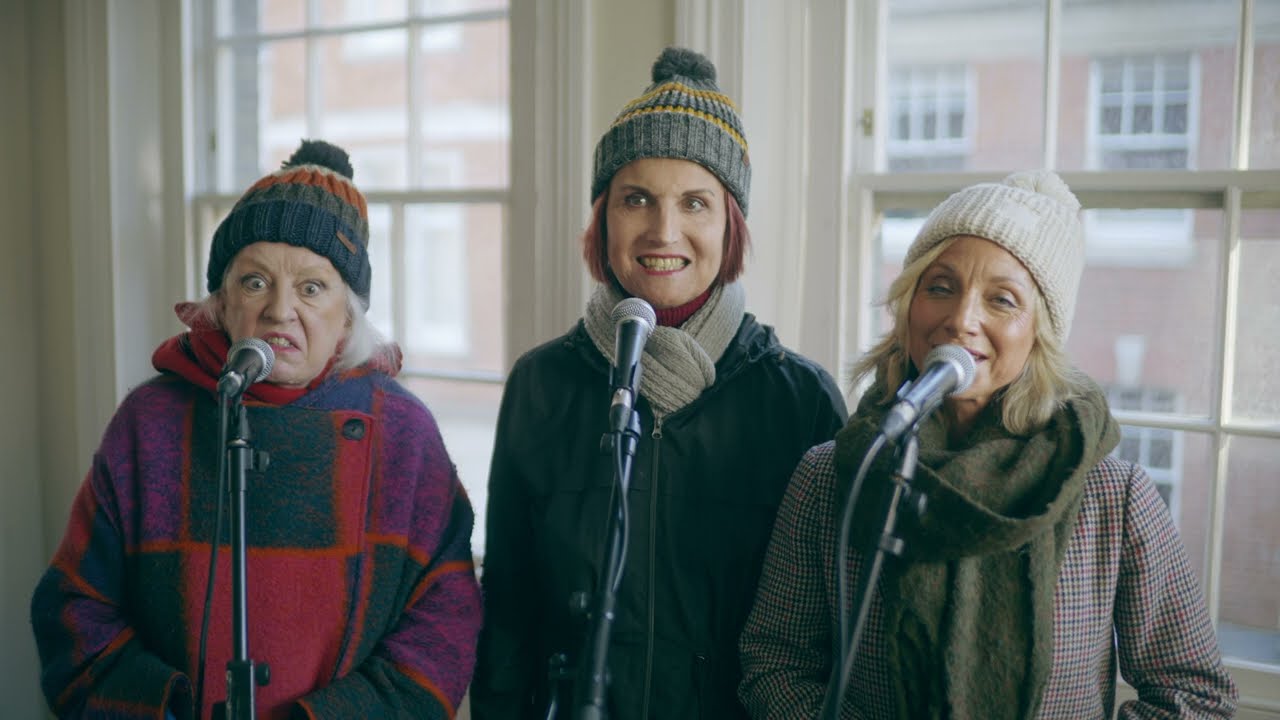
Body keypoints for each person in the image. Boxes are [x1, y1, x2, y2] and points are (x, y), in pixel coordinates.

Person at [737, 169, 1239, 719]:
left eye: (1001, 300)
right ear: (908, 306)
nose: (961, 320)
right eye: (940, 287)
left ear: (1039, 332)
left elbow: (1195, 696)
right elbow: (774, 663)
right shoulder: (832, 477)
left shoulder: (1112, 497)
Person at [30, 140, 483, 720]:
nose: (279, 310)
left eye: (311, 288)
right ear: (221, 302)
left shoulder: (403, 433)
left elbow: (443, 626)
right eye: (255, 282)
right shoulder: (151, 422)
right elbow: (74, 607)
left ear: (348, 315)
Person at [470, 47, 848, 719]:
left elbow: (829, 640)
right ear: (603, 218)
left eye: (695, 203)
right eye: (636, 199)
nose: (662, 231)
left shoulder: (801, 403)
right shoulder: (540, 385)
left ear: (731, 224)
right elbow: (508, 616)